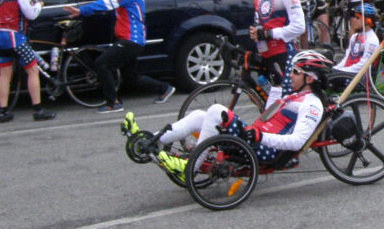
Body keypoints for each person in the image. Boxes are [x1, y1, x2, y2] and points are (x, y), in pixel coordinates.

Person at [123, 50, 334, 179]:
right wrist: (276, 90)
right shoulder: (293, 97)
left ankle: (191, 166)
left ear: (310, 78)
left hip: (262, 148)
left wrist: (261, 136)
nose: (291, 75)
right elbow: (268, 115)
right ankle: (150, 140)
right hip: (254, 137)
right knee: (198, 115)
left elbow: (297, 141)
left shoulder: (311, 104)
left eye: (296, 72)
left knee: (216, 111)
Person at [64, 0, 175, 112]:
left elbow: (105, 4)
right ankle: (165, 88)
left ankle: (113, 102)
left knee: (102, 64)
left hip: (130, 40)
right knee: (131, 77)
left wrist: (81, 11)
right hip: (133, 40)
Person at [250, 0, 305, 97]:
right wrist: (256, 30)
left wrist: (269, 33)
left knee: (286, 100)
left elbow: (299, 26)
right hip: (266, 52)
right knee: (270, 99)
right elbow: (260, 18)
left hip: (284, 53)